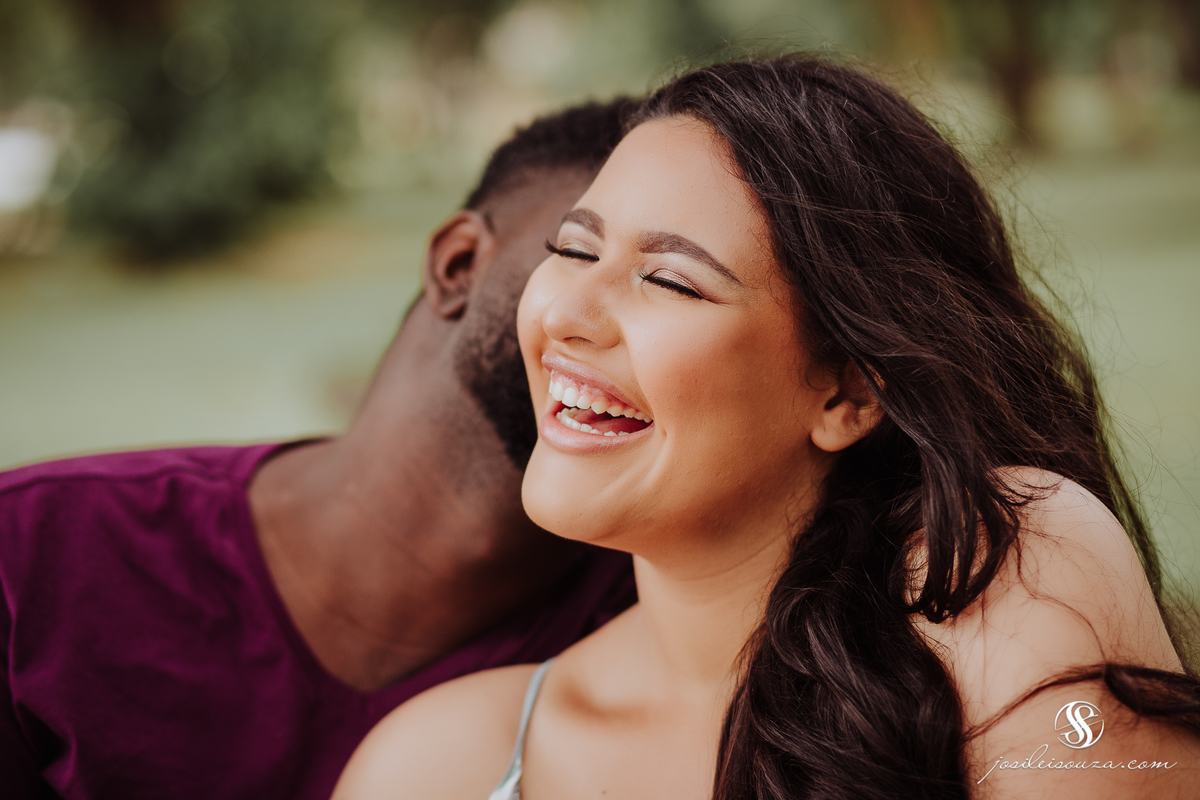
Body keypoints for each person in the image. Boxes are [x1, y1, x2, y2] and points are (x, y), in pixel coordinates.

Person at [333, 56, 1200, 800]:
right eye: (572, 250)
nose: (568, 315)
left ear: (849, 393)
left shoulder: (1008, 579)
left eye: (670, 280)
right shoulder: (436, 763)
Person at [0, 99, 638, 800]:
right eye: (579, 250)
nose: (631, 318)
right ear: (458, 264)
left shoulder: (663, 639)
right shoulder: (33, 557)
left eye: (676, 282)